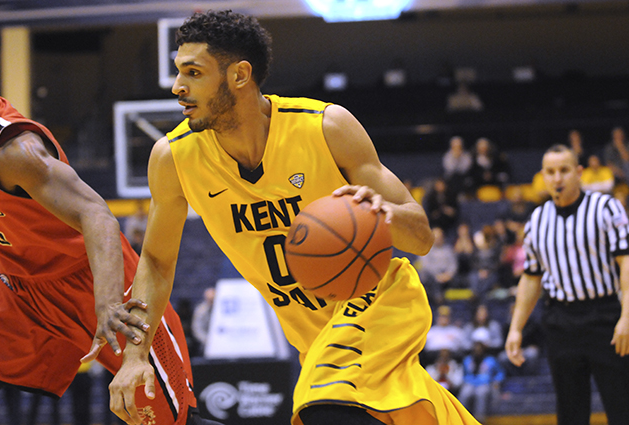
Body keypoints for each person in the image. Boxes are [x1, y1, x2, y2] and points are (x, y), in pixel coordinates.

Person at [110, 10, 479, 425]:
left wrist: (383, 214)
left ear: (239, 75)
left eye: (193, 73)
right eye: (180, 72)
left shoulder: (326, 127)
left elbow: (422, 238)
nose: (178, 86)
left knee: (326, 405)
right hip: (315, 337)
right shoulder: (173, 159)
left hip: (380, 307)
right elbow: (156, 263)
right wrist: (134, 355)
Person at [0, 32, 202, 425]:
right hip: (22, 292)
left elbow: (97, 215)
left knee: (164, 420)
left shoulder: (15, 152)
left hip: (94, 280)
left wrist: (107, 302)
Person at [505, 144, 629, 425]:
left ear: (579, 172)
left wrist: (627, 315)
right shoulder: (537, 220)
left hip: (605, 316)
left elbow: (626, 263)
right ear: (543, 176)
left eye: (564, 170)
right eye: (550, 172)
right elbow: (531, 277)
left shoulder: (605, 207)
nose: (557, 178)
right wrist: (515, 328)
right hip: (560, 321)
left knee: (622, 406)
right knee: (570, 414)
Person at [458, 328, 504, 424]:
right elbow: (464, 374)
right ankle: (460, 419)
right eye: (476, 347)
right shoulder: (468, 360)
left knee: (481, 393)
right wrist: (466, 381)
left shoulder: (490, 360)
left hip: (485, 383)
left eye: (480, 347)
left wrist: (496, 381)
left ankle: (480, 420)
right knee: (465, 393)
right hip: (470, 383)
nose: (477, 349)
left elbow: (500, 373)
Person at [418, 227, 459, 306]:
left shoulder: (448, 250)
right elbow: (426, 265)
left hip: (446, 277)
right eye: (435, 237)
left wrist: (448, 275)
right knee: (424, 276)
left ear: (443, 238)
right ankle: (437, 298)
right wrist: (436, 276)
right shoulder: (426, 249)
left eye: (439, 237)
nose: (437, 239)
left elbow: (453, 265)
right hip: (432, 276)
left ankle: (439, 298)